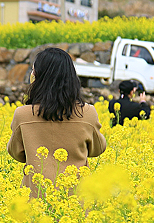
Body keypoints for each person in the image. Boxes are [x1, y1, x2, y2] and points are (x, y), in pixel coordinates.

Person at [7, 47, 107, 196]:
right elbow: (98, 149)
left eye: (33, 71)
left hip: (36, 202)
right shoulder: (88, 113)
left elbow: (16, 153)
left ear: (38, 77)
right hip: (76, 203)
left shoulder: (22, 114)